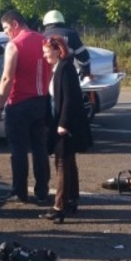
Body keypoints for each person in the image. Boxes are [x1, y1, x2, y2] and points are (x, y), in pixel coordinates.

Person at [0, 10, 51, 204]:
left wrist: (0, 106)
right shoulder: (44, 40)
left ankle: (19, 191)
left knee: (18, 150)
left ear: (15, 24)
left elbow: (7, 77)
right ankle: (42, 190)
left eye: (6, 28)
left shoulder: (15, 44)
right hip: (41, 101)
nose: (5, 33)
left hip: (19, 103)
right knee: (40, 148)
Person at [40, 36, 93, 224]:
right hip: (64, 123)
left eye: (46, 50)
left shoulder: (65, 68)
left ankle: (59, 207)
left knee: (62, 164)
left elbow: (69, 99)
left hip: (66, 125)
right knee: (69, 162)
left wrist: (63, 123)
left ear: (57, 50)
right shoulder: (60, 67)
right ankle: (72, 200)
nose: (44, 54)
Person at [42, 10, 91, 79]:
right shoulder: (71, 34)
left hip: (47, 78)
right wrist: (85, 72)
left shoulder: (42, 37)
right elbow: (83, 57)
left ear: (46, 23)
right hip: (67, 74)